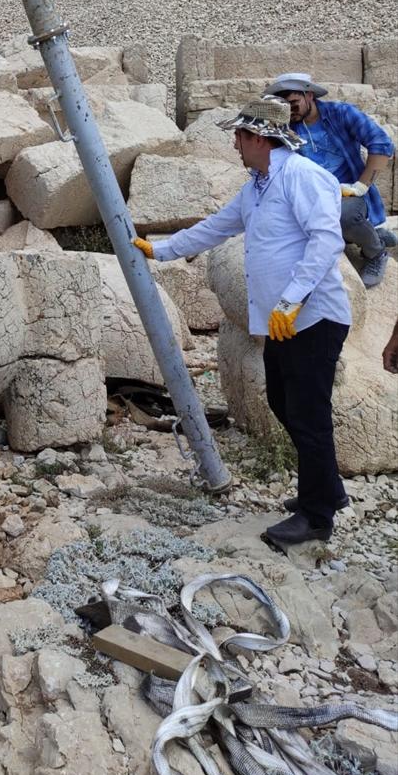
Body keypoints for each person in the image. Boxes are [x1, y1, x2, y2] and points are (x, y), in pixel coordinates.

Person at [132, 96, 351, 547]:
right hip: (282, 323)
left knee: (309, 416)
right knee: (281, 400)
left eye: (239, 135)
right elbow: (217, 226)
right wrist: (161, 250)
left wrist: (292, 300)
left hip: (313, 317)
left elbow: (326, 241)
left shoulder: (303, 177)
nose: (234, 143)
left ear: (259, 138)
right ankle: (326, 488)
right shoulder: (257, 185)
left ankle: (316, 516)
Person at [265, 72, 395, 289]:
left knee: (344, 215)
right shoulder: (285, 127)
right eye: (284, 106)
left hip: (348, 194)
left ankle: (375, 252)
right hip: (311, 197)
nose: (290, 110)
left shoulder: (341, 113)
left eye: (294, 103)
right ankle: (371, 234)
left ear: (309, 95)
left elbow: (381, 144)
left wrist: (360, 186)